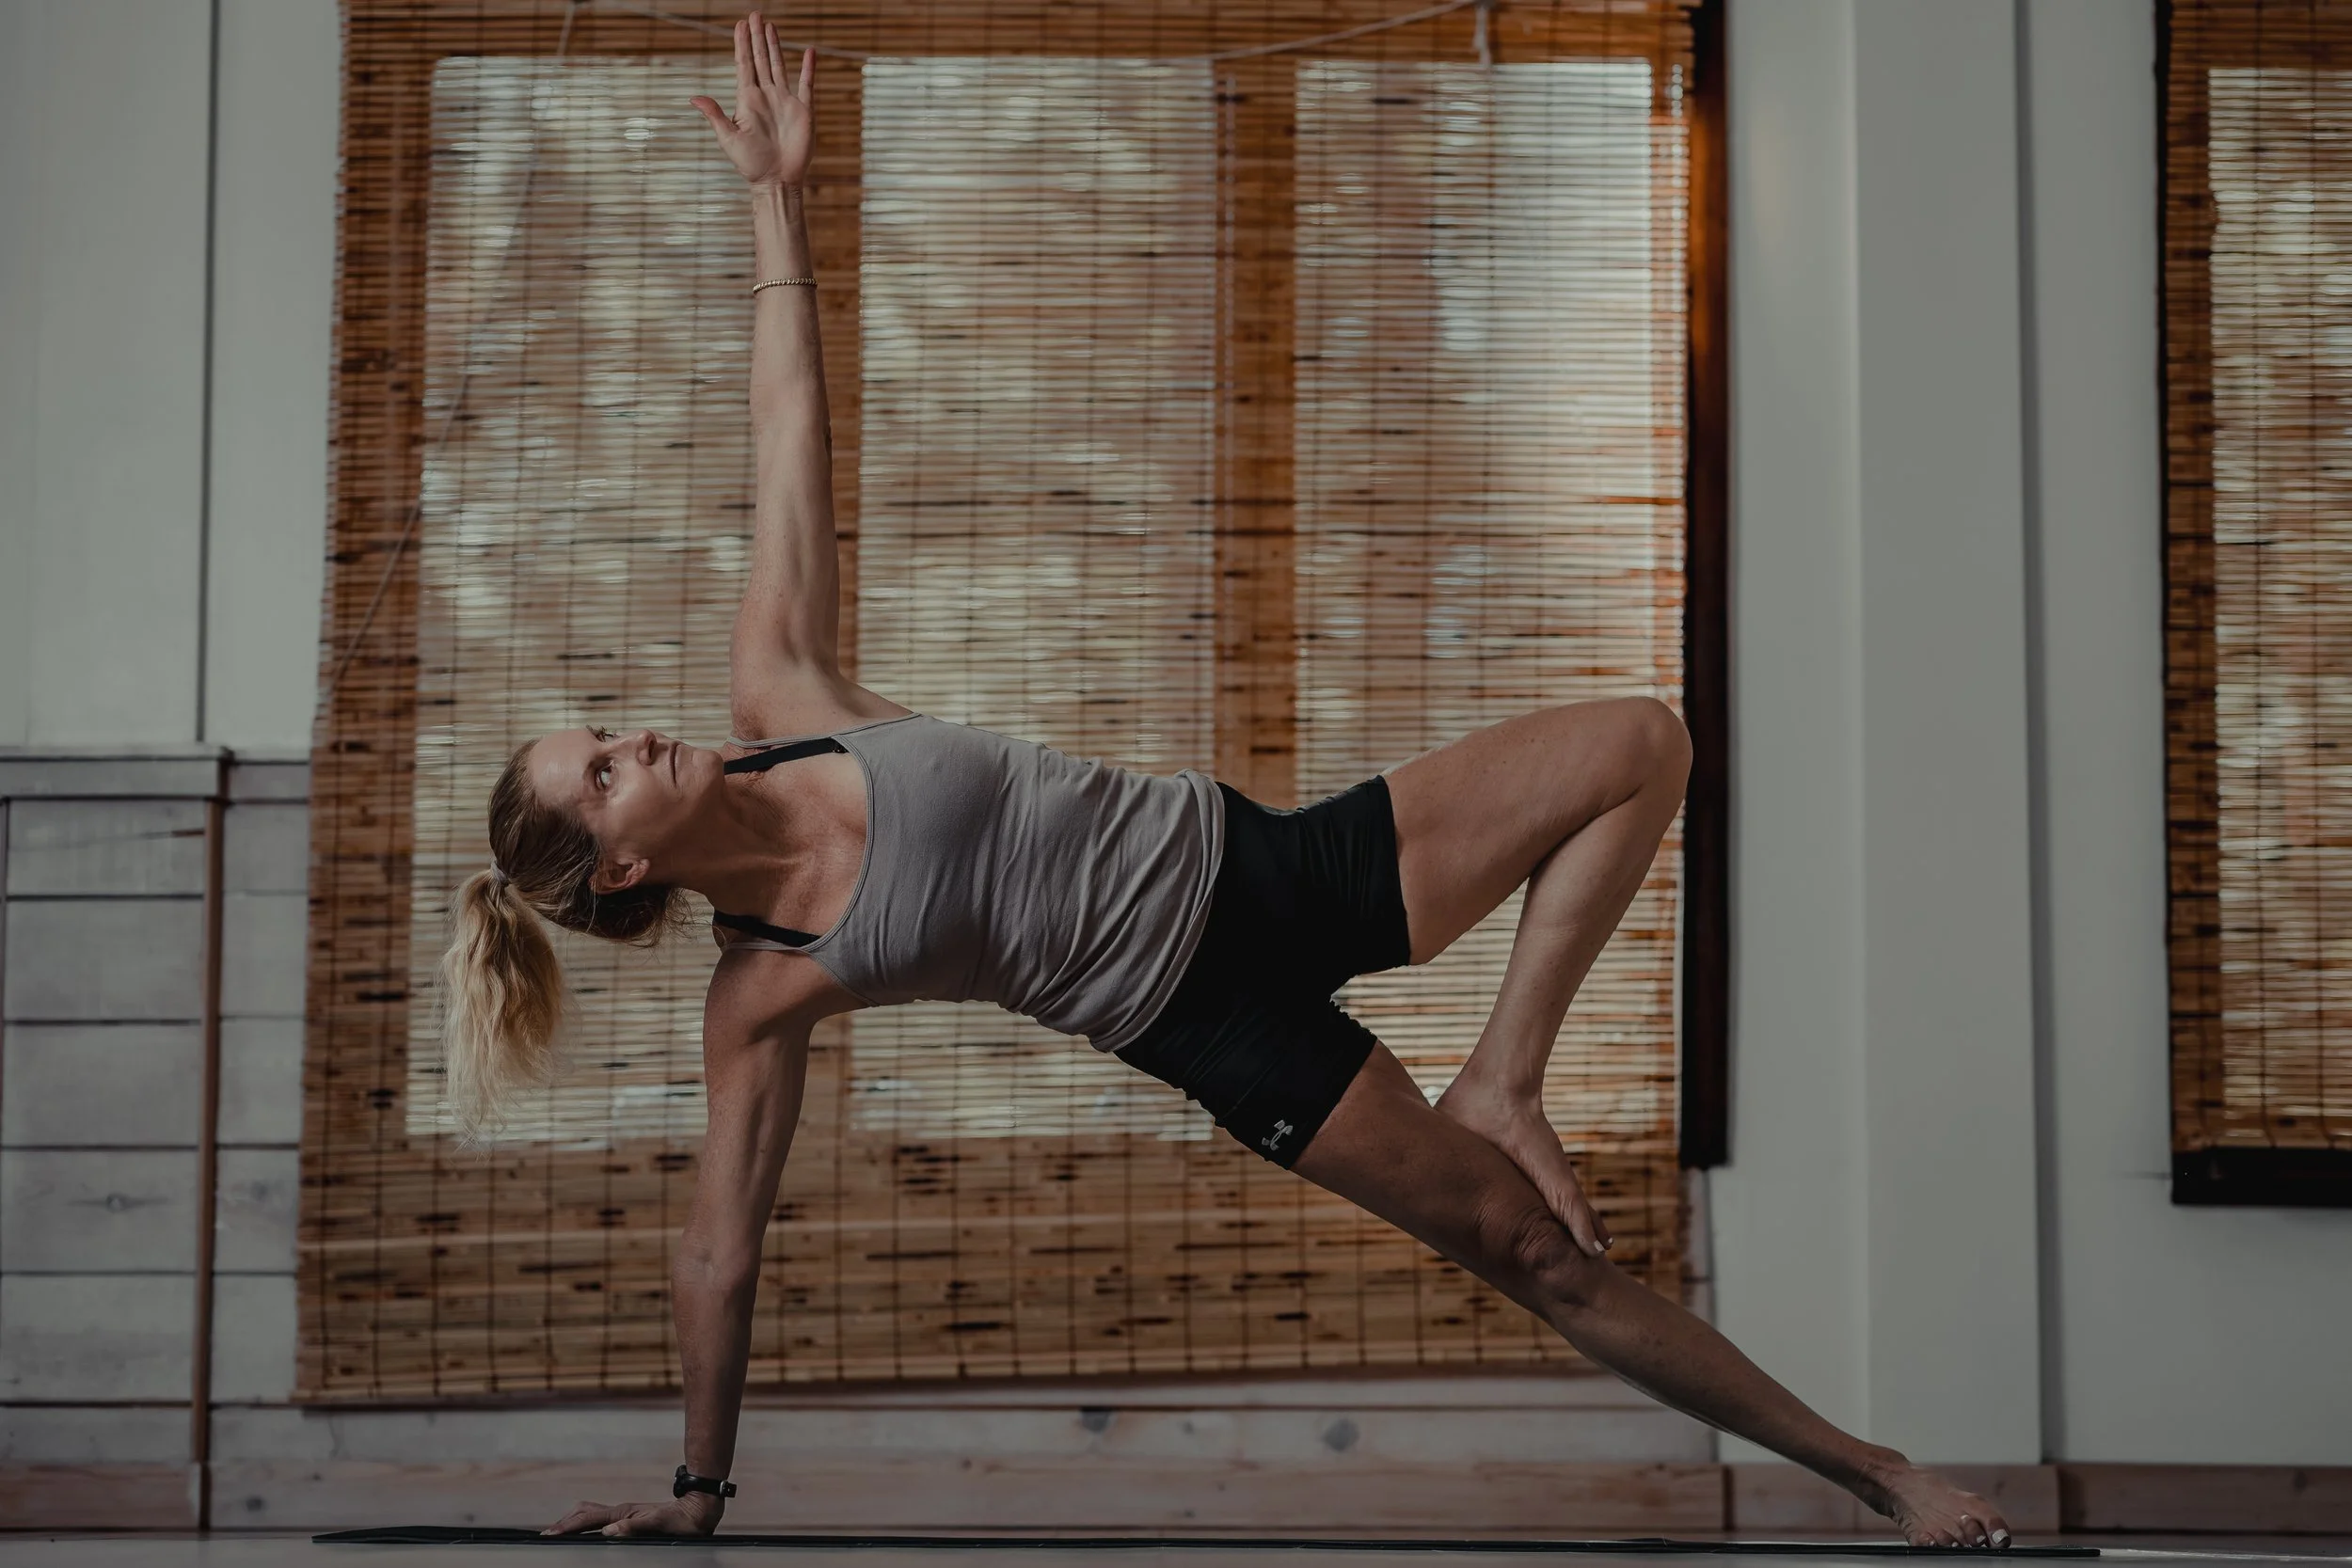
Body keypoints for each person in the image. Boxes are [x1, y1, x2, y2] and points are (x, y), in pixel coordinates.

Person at [443, 14, 2012, 1547]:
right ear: (623, 867)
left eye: (605, 729)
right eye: (601, 771)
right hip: (1209, 1020)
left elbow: (791, 430)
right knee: (1531, 1245)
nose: (631, 738)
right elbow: (719, 1251)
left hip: (1273, 860)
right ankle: (1876, 1471)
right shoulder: (763, 987)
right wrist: (700, 1490)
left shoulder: (785, 697)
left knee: (1641, 741)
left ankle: (1507, 1072)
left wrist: (777, 198)